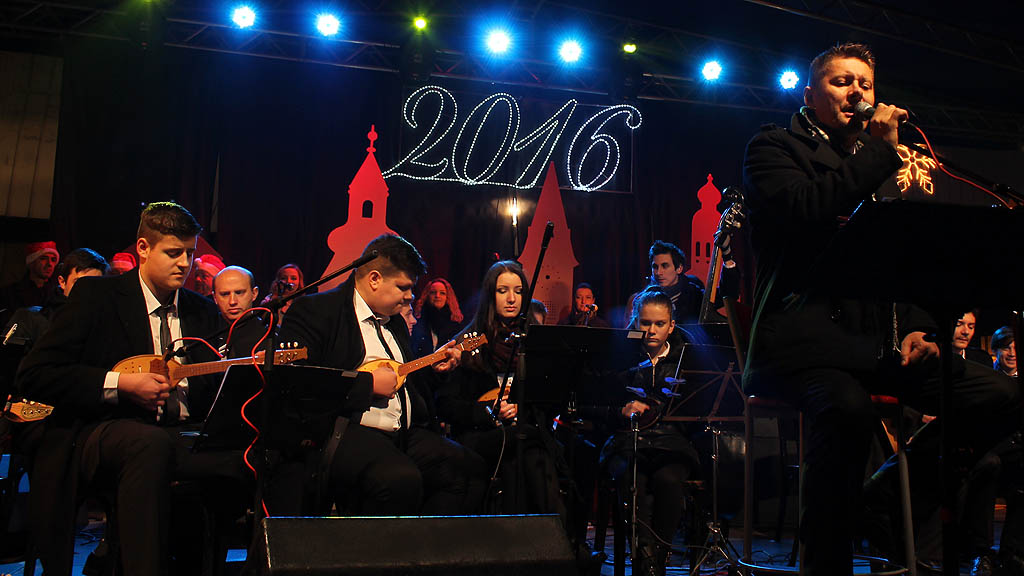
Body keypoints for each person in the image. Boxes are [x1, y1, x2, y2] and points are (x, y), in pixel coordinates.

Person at [741, 42, 1021, 574]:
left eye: (865, 84)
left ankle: (883, 490)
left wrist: (919, 328)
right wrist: (877, 154)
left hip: (877, 348)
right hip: (804, 346)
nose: (857, 93)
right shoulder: (774, 147)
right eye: (842, 82)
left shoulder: (873, 162)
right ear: (810, 95)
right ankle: (827, 565)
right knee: (848, 409)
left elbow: (894, 260)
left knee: (1002, 395)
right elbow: (809, 208)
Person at [16, 202, 246, 576]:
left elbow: (210, 390)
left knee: (247, 457)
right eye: (173, 253)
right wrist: (121, 384)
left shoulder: (202, 310)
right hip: (102, 430)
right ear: (143, 248)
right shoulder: (97, 296)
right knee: (148, 444)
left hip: (181, 433)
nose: (184, 264)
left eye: (189, 253)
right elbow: (36, 374)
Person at [276, 234, 484, 516]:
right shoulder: (317, 311)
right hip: (343, 433)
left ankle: (427, 541)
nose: (410, 296)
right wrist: (367, 384)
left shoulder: (394, 320)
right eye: (403, 287)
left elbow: (406, 380)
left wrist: (436, 370)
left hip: (402, 432)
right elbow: (299, 384)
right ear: (374, 279)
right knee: (400, 479)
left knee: (470, 469)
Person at [436, 260, 566, 520]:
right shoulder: (468, 342)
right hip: (481, 434)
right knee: (527, 447)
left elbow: (552, 399)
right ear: (490, 295)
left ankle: (548, 533)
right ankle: (551, 532)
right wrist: (488, 411)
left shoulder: (536, 341)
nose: (511, 299)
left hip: (525, 432)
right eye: (502, 291)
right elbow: (446, 404)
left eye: (518, 291)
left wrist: (522, 406)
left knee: (528, 452)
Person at [601, 288, 700, 576]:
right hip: (627, 439)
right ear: (635, 322)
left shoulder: (688, 357)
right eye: (645, 323)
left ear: (671, 325)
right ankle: (646, 561)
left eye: (659, 324)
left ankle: (658, 557)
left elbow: (699, 405)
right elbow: (595, 401)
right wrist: (620, 410)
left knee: (669, 479)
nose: (652, 330)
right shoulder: (619, 354)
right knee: (633, 479)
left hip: (672, 441)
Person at [3, 248, 109, 352]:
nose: (87, 291)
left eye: (95, 285)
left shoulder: (105, 323)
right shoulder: (30, 319)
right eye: (79, 283)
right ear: (62, 282)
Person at [626, 241, 703, 326]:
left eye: (665, 266)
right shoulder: (640, 298)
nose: (658, 272)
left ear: (679, 268)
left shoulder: (696, 296)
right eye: (655, 267)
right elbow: (631, 331)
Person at [0, 241, 60, 327]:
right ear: (31, 262)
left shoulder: (57, 293)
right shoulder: (10, 293)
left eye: (53, 260)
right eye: (43, 258)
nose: (49, 264)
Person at [411, 277, 464, 359]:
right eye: (433, 292)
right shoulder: (418, 320)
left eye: (442, 293)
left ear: (448, 297)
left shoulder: (455, 323)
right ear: (427, 295)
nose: (437, 296)